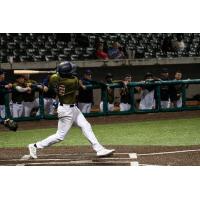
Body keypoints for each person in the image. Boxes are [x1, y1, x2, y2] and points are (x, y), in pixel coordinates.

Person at [28, 61, 115, 159]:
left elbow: (49, 85)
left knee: (86, 126)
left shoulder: (55, 78)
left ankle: (99, 149)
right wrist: (57, 73)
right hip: (66, 110)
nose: (73, 72)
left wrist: (42, 83)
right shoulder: (72, 81)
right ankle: (34, 146)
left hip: (73, 108)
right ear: (66, 73)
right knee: (60, 136)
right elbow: (69, 78)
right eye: (71, 70)